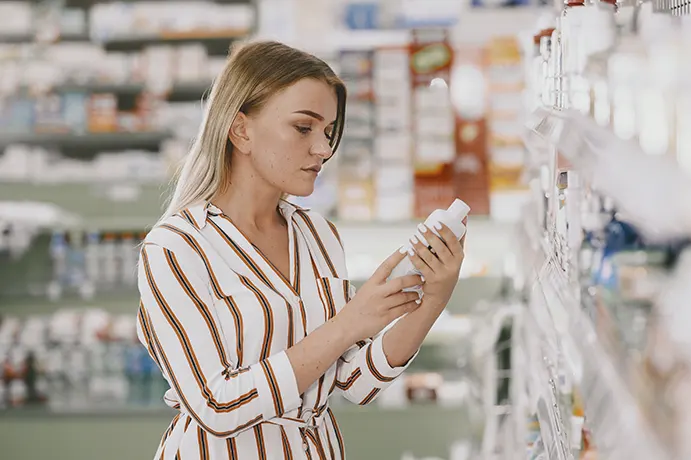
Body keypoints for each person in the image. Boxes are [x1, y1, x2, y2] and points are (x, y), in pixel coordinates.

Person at [136, 40, 466, 460]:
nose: (324, 149)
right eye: (303, 128)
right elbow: (216, 406)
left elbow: (354, 382)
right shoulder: (176, 247)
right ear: (240, 130)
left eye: (328, 131)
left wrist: (433, 297)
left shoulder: (317, 234)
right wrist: (348, 324)